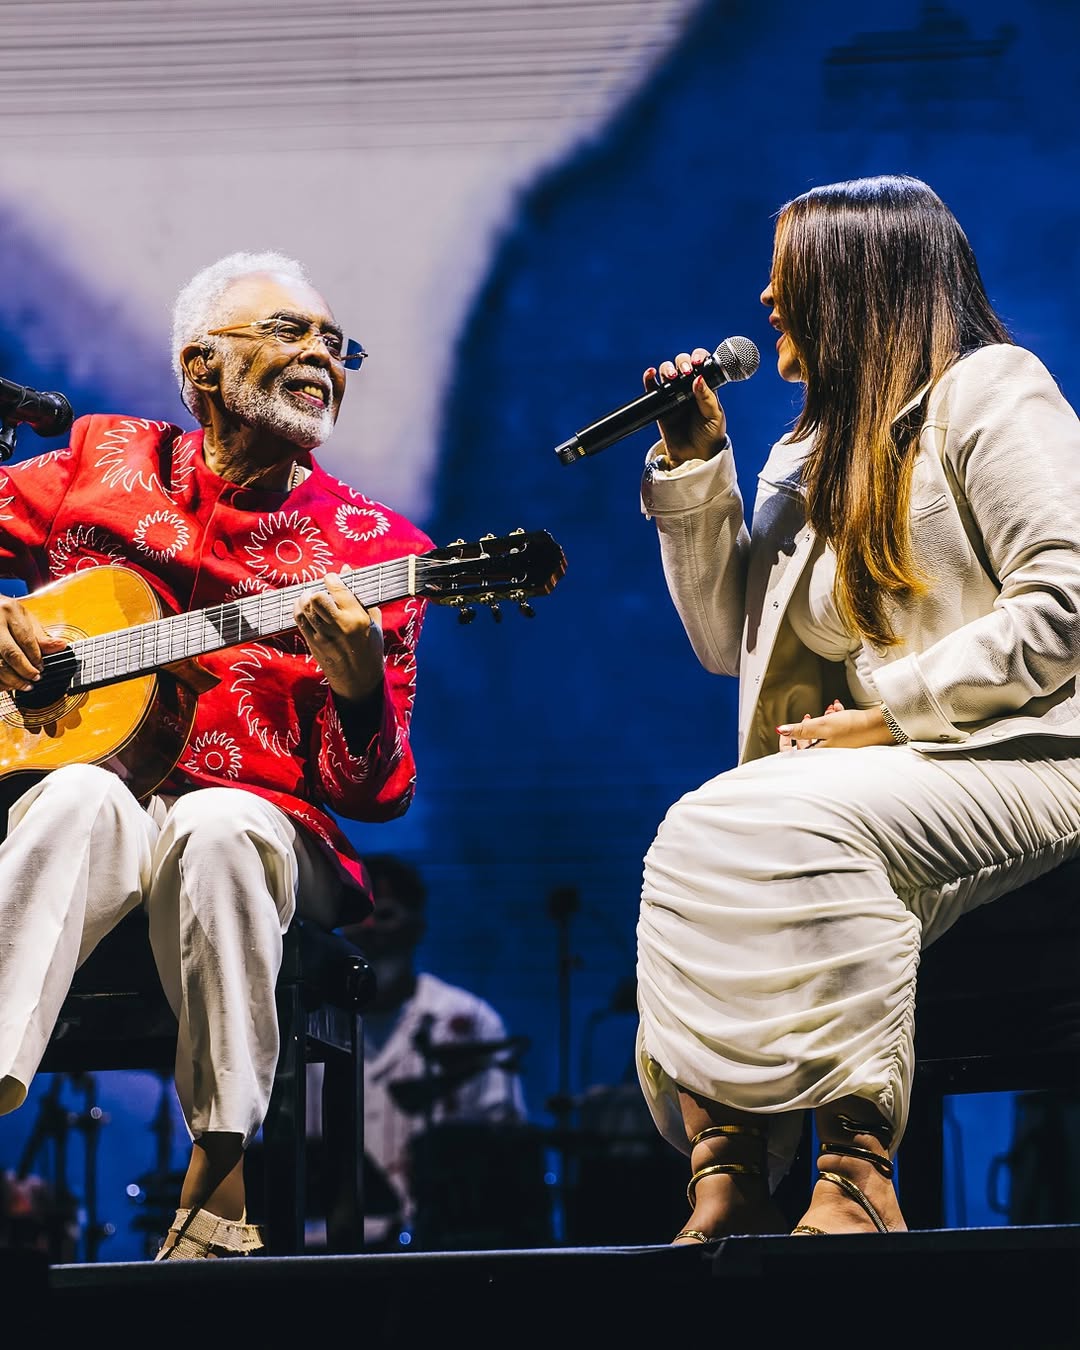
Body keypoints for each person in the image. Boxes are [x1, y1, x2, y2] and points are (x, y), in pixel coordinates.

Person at [633, 174, 1080, 1243]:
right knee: (697, 824)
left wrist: (887, 708)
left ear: (854, 278)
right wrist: (697, 470)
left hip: (1024, 755)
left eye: (787, 275)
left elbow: (1066, 600)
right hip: (868, 772)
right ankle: (727, 1162)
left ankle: (856, 1171)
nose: (766, 298)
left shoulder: (991, 392)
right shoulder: (803, 454)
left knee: (792, 821)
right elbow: (720, 644)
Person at [0, 251, 433, 1258]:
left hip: (270, 828)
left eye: (337, 342)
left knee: (218, 822)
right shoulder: (102, 462)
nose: (323, 354)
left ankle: (223, 1172)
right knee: (79, 803)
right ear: (203, 367)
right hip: (97, 793)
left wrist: (359, 687)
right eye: (291, 332)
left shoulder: (375, 550)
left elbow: (376, 791)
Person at [307, 853, 528, 1248]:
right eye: (359, 916)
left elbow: (502, 1145)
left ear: (417, 926)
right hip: (330, 1243)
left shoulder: (467, 1020)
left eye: (386, 915)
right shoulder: (309, 1023)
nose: (371, 930)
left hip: (448, 1243)